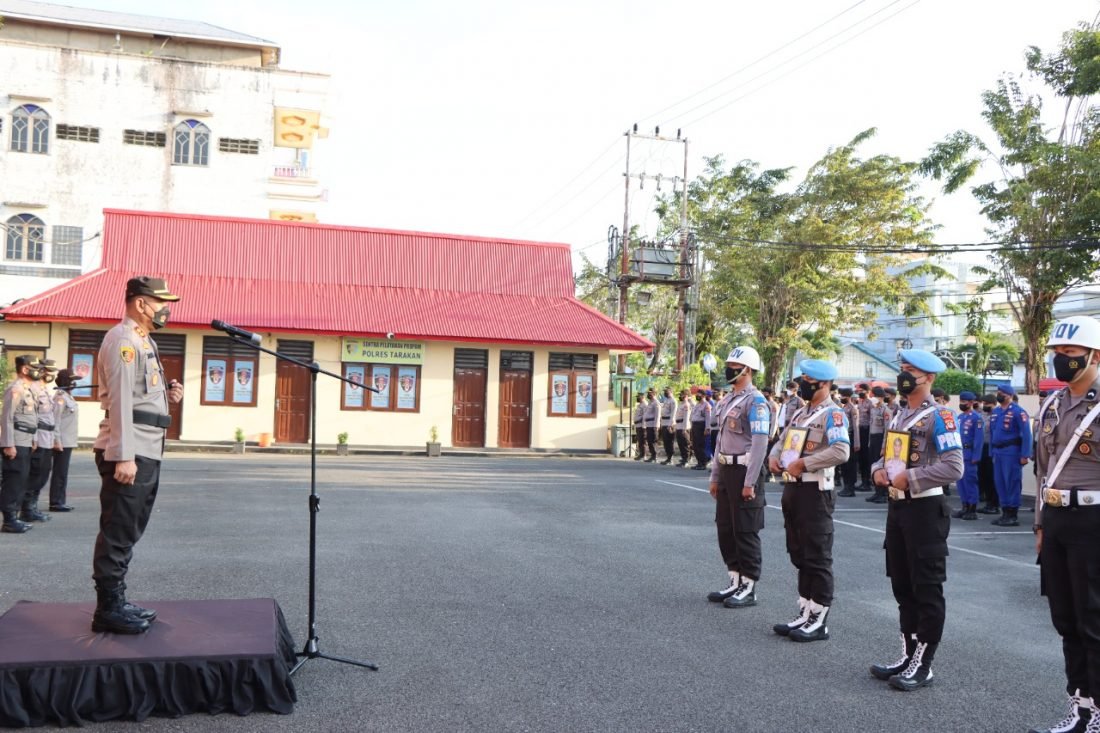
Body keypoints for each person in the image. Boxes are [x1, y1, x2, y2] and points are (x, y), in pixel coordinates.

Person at [91, 276, 184, 634]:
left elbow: (140, 395)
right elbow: (119, 401)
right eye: (160, 302)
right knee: (117, 530)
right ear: (140, 303)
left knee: (128, 528)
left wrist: (169, 398)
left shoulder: (144, 341)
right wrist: (124, 455)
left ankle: (117, 600)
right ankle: (108, 609)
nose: (166, 309)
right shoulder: (124, 340)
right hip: (129, 451)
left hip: (147, 446)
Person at [869, 349, 963, 692]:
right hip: (898, 509)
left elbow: (954, 467)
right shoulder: (897, 415)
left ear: (930, 378)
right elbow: (882, 458)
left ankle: (924, 663)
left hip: (925, 510)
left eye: (912, 371)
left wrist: (912, 476)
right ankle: (907, 653)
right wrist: (878, 472)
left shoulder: (941, 417)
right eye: (903, 369)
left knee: (926, 587)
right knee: (902, 585)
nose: (904, 375)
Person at [1029, 315, 1100, 733]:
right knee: (1066, 619)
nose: (1062, 361)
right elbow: (1044, 470)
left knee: (1094, 619)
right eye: (1057, 353)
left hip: (1094, 520)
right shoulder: (1054, 404)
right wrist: (1040, 525)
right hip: (1056, 519)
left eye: (1070, 354)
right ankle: (1082, 706)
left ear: (1095, 355)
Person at [768, 359, 850, 643]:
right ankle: (805, 610)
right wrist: (774, 456)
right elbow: (783, 440)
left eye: (808, 380)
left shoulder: (834, 414)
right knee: (798, 552)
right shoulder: (800, 413)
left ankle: (819, 617)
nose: (803, 384)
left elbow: (841, 451)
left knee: (817, 555)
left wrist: (805, 463)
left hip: (816, 490)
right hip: (793, 489)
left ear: (824, 384)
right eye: (802, 378)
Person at [706, 347, 770, 609]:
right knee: (726, 528)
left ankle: (749, 586)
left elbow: (759, 443)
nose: (729, 368)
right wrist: (714, 476)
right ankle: (734, 579)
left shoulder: (756, 402)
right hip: (726, 470)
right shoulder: (727, 400)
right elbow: (721, 440)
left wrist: (750, 482)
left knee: (745, 530)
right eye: (729, 363)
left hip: (745, 470)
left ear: (748, 370)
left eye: (735, 364)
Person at [1, 355, 42, 533]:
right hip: (16, 441)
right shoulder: (15, 389)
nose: (39, 371)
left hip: (25, 441)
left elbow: (31, 418)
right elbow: (7, 418)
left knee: (21, 480)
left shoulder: (28, 389)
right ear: (25, 369)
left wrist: (33, 439)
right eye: (35, 367)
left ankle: (14, 516)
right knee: (13, 481)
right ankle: (9, 519)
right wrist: (8, 444)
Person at [22, 359, 59, 523]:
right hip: (39, 436)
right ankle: (27, 510)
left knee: (43, 474)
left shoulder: (45, 390)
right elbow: (33, 417)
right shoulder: (34, 389)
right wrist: (34, 438)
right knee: (35, 474)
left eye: (53, 372)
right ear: (42, 371)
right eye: (48, 371)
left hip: (47, 437)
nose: (51, 375)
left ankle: (33, 507)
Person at [990, 384, 1032, 526]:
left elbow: (1027, 434)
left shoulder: (1018, 412)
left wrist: (1025, 454)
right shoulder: (995, 412)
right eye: (998, 392)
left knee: (1012, 482)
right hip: (998, 452)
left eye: (1001, 393)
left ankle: (1012, 514)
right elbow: (992, 433)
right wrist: (991, 451)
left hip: (1011, 452)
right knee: (1000, 482)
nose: (999, 395)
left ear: (1009, 395)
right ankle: (1005, 512)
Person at [49, 369, 79, 512]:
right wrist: (56, 440)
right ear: (66, 381)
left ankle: (60, 499)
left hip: (68, 440)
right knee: (59, 472)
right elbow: (55, 420)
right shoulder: (60, 397)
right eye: (72, 380)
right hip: (61, 441)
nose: (75, 383)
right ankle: (56, 502)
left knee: (63, 472)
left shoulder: (68, 396)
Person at [953, 391, 983, 521]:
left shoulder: (977, 418)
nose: (962, 404)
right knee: (961, 482)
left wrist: (976, 456)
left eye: (964, 402)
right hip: (959, 453)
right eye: (961, 401)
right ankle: (964, 506)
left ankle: (972, 508)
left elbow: (979, 439)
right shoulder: (959, 417)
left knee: (970, 481)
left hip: (970, 454)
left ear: (971, 403)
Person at [866, 386, 892, 504]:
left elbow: (887, 430)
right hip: (873, 438)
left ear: (880, 397)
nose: (872, 398)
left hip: (881, 439)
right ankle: (877, 492)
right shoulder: (873, 408)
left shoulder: (885, 410)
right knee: (873, 466)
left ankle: (883, 493)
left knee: (880, 466)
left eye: (874, 396)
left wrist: (884, 446)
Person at [977, 393, 1000, 515]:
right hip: (982, 448)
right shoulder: (981, 415)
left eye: (987, 404)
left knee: (992, 477)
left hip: (992, 448)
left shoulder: (997, 415)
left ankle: (994, 504)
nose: (984, 406)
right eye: (983, 404)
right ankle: (988, 502)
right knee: (983, 476)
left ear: (994, 404)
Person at [838, 388, 861, 496]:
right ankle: (846, 486)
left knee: (850, 464)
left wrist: (856, 443)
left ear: (847, 397)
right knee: (844, 464)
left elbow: (856, 428)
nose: (841, 398)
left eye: (842, 396)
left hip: (851, 438)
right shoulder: (843, 408)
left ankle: (850, 488)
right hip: (844, 437)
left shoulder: (853, 409)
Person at [690, 390, 711, 470]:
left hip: (701, 425)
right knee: (695, 445)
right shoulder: (697, 405)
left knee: (700, 445)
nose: (697, 396)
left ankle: (703, 463)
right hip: (695, 425)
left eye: (699, 394)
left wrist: (707, 428)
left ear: (703, 396)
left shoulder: (706, 405)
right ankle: (699, 462)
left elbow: (708, 417)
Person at [674, 389, 691, 467]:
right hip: (679, 426)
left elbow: (686, 417)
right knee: (680, 444)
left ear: (686, 396)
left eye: (682, 395)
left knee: (685, 444)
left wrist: (684, 428)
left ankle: (687, 460)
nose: (680, 396)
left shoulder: (686, 405)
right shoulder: (680, 404)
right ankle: (683, 458)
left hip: (684, 426)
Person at [659, 387, 676, 464]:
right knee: (665, 441)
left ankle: (670, 457)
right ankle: (668, 457)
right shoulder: (666, 400)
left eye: (666, 391)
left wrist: (670, 425)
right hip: (664, 422)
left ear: (670, 391)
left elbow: (673, 413)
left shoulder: (673, 401)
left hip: (669, 423)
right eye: (664, 391)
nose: (665, 392)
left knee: (669, 441)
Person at [643, 388, 659, 463]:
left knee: (653, 441)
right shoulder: (650, 402)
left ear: (654, 393)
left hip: (653, 424)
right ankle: (652, 455)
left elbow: (657, 415)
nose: (648, 394)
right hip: (649, 424)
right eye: (648, 393)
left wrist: (656, 426)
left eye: (650, 393)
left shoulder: (656, 402)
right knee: (649, 440)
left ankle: (655, 456)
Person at [632, 394, 646, 460]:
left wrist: (644, 426)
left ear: (643, 397)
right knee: (640, 441)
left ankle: (643, 455)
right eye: (637, 397)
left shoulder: (645, 405)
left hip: (641, 426)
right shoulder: (639, 405)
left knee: (642, 441)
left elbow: (644, 416)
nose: (637, 398)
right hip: (638, 425)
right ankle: (641, 454)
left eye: (638, 397)